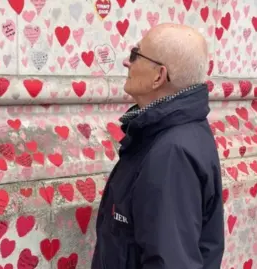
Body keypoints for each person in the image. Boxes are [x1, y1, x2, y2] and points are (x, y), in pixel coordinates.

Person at [91, 23, 225, 269]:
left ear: (158, 76)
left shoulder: (171, 153)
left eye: (135, 54)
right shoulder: (170, 134)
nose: (127, 62)